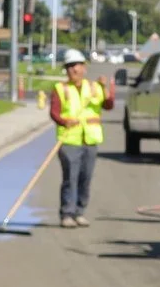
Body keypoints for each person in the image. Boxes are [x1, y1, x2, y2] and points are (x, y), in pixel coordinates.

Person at [48, 50, 112, 226]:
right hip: (69, 140)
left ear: (84, 67)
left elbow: (108, 105)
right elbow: (54, 112)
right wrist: (63, 121)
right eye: (69, 67)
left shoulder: (94, 87)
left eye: (75, 66)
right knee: (70, 178)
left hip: (90, 139)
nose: (72, 70)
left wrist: (106, 88)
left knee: (86, 178)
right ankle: (67, 214)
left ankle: (79, 211)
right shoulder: (60, 89)